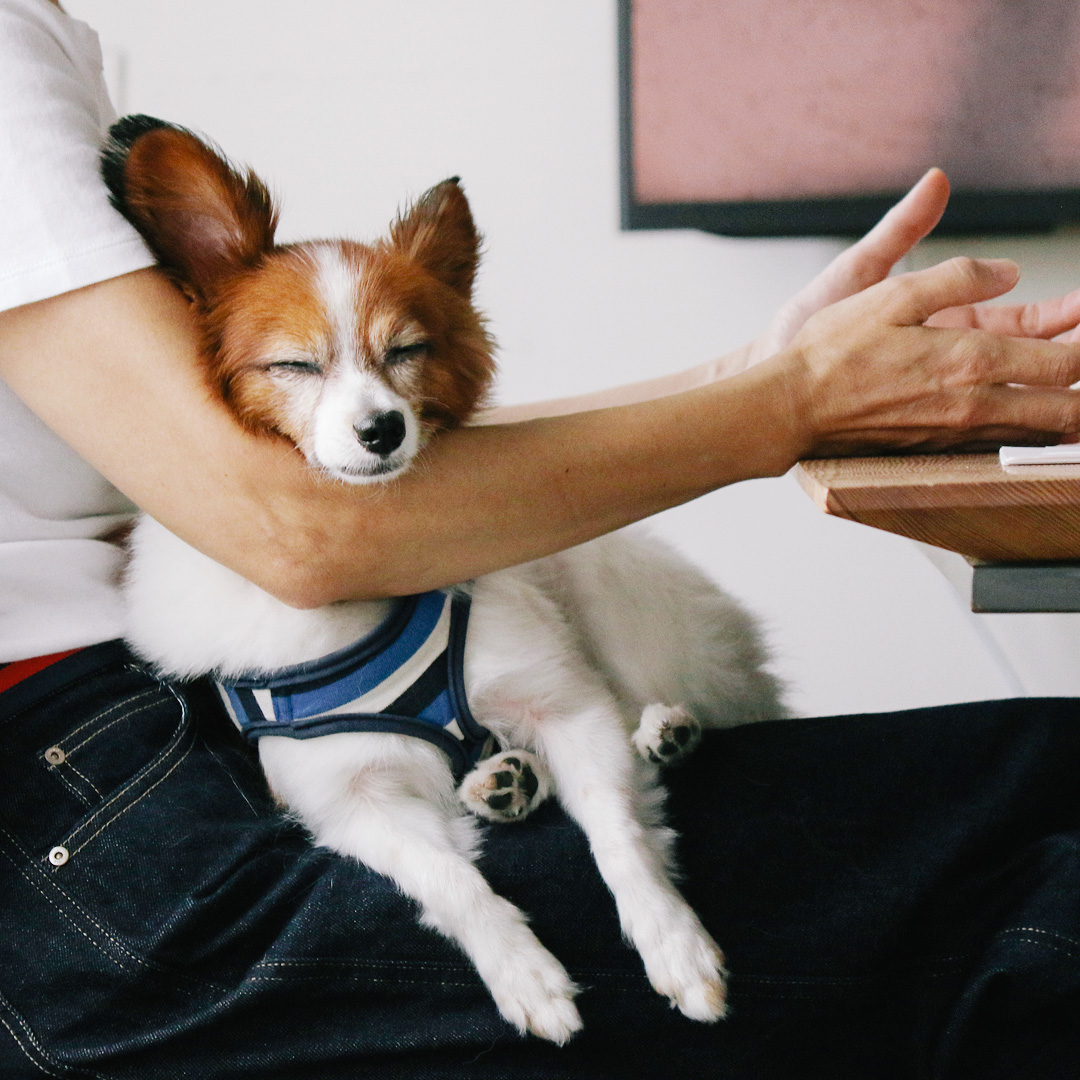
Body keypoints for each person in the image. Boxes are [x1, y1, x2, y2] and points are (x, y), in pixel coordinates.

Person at [1, 1, 1079, 1076]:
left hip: (160, 753)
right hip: (97, 824)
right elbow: (292, 526)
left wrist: (753, 380)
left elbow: (343, 462)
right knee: (1030, 821)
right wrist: (791, 402)